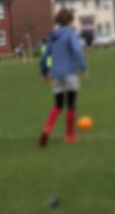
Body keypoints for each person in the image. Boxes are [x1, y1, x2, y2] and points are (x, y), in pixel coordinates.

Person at [38, 8, 88, 146]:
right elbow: (77, 50)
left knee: (58, 105)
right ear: (70, 20)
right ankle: (70, 135)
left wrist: (45, 72)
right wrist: (83, 67)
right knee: (71, 104)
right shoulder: (70, 34)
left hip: (55, 74)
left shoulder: (52, 36)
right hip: (70, 72)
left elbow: (44, 57)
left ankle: (47, 130)